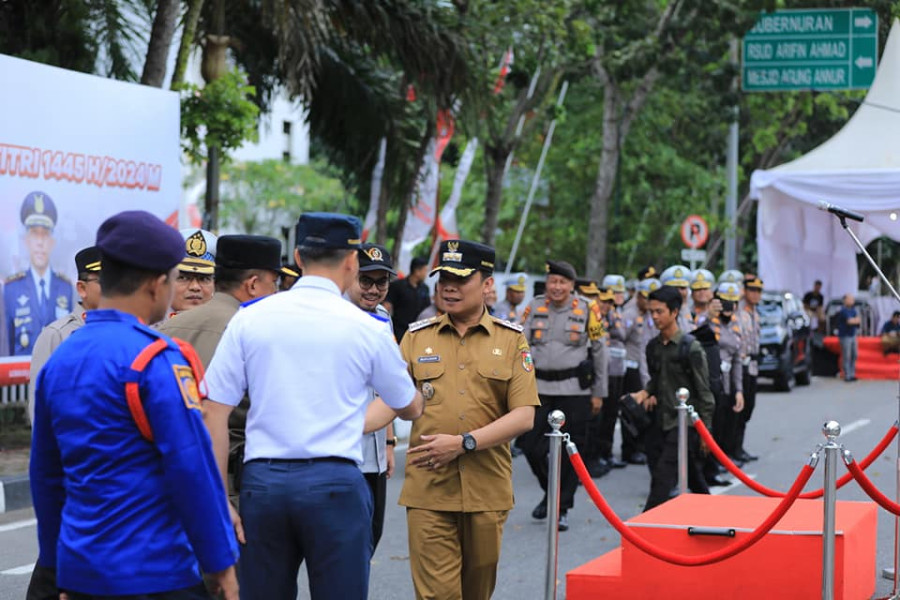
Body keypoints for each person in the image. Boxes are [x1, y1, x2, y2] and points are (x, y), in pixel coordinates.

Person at [202, 212, 424, 600]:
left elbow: (213, 413)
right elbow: (407, 405)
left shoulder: (250, 319)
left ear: (298, 258)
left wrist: (221, 499)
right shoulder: (368, 328)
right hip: (335, 484)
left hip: (263, 485)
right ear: (352, 261)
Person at [30, 210, 239, 599]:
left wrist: (56, 567)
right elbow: (191, 468)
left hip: (82, 574)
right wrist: (220, 563)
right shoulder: (158, 361)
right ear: (158, 284)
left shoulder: (60, 359)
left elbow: (45, 475)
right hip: (158, 574)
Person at [398, 239, 539, 600]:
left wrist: (464, 444)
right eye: (443, 277)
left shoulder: (511, 341)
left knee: (477, 592)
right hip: (428, 489)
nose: (448, 286)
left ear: (487, 284)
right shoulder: (416, 338)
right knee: (437, 596)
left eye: (460, 279)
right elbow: (391, 401)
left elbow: (523, 416)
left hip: (486, 489)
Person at [158, 234, 285, 496]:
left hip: (170, 472)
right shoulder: (256, 328)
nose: (276, 291)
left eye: (203, 278)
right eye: (274, 283)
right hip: (232, 481)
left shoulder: (166, 329)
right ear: (252, 284)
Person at [519, 260, 608, 531]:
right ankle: (552, 493)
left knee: (570, 451)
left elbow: (600, 350)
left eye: (562, 282)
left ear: (572, 286)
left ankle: (562, 507)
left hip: (574, 391)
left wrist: (598, 393)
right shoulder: (534, 306)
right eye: (553, 282)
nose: (557, 287)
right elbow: (519, 344)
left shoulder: (588, 309)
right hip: (539, 389)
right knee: (528, 444)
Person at [632, 286, 715, 511]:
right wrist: (644, 393)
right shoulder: (653, 348)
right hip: (661, 421)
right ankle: (711, 512)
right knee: (693, 476)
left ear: (675, 312)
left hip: (686, 423)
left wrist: (705, 432)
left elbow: (704, 392)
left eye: (660, 311)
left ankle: (643, 529)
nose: (655, 317)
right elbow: (657, 382)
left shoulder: (691, 348)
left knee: (662, 478)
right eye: (652, 312)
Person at [345, 242, 398, 554]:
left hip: (374, 454)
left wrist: (389, 442)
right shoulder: (333, 316)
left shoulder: (382, 317)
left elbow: (384, 386)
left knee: (370, 539)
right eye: (366, 280)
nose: (374, 290)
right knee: (346, 549)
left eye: (382, 282)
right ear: (350, 275)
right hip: (342, 454)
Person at [26, 246, 102, 427]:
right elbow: (40, 404)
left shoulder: (126, 331)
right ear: (82, 288)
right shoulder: (57, 335)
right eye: (104, 282)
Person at [5, 191, 74, 356]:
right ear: (26, 240)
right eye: (35, 234)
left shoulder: (66, 288)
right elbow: (6, 347)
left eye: (45, 234)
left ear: (52, 241)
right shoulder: (11, 290)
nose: (40, 242)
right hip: (22, 378)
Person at [705, 282, 745, 487]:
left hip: (727, 384)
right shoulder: (707, 321)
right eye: (724, 302)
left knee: (722, 426)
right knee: (708, 428)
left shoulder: (735, 326)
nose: (729, 307)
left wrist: (739, 390)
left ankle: (716, 467)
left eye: (733, 303)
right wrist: (708, 315)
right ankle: (707, 469)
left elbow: (738, 359)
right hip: (709, 383)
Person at [620, 277, 661, 466]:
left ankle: (641, 446)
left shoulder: (651, 315)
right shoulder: (630, 314)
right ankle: (630, 449)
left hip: (648, 366)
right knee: (632, 410)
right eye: (645, 297)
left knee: (645, 410)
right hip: (632, 367)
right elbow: (621, 339)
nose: (647, 301)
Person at [736, 274, 763, 463]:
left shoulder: (755, 314)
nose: (755, 294)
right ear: (744, 292)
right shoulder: (740, 313)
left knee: (748, 408)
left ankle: (739, 447)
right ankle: (733, 448)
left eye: (758, 291)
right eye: (752, 290)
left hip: (752, 366)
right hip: (742, 366)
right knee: (739, 409)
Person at [168, 228, 218, 316]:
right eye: (183, 278)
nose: (195, 287)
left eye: (204, 279)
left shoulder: (229, 326)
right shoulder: (147, 323)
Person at [385, 256, 431, 341]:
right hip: (398, 331)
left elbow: (428, 309)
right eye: (425, 270)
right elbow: (387, 306)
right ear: (417, 271)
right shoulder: (398, 286)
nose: (426, 274)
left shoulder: (425, 289)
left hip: (417, 332)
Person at [836, 293, 861, 382]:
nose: (852, 301)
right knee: (847, 355)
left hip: (852, 334)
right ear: (845, 300)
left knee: (854, 354)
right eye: (850, 299)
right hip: (845, 335)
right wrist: (854, 320)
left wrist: (854, 320)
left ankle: (852, 373)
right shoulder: (843, 310)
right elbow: (849, 321)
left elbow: (858, 320)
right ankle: (847, 375)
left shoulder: (853, 310)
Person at [659, 264, 691, 333]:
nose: (679, 292)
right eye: (674, 288)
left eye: (682, 288)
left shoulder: (693, 311)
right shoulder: (657, 313)